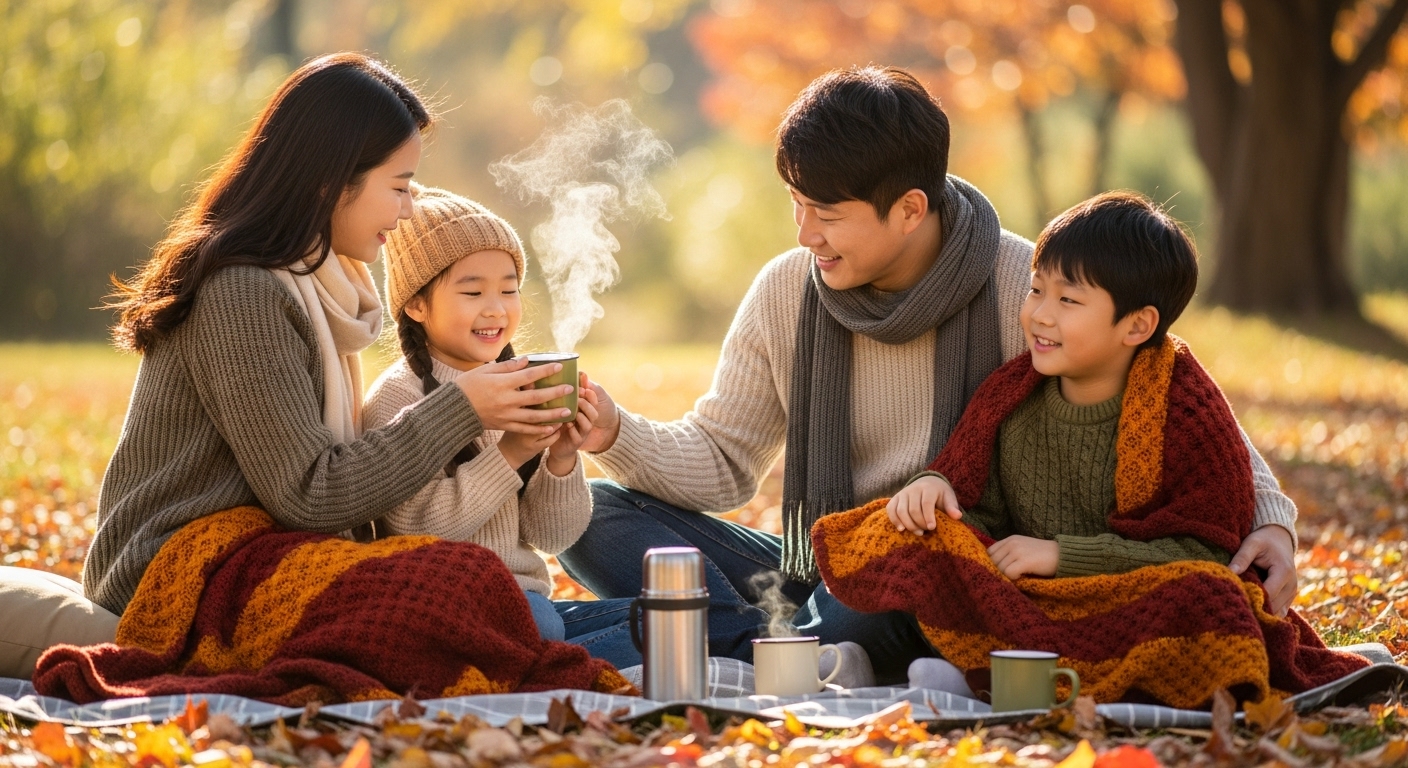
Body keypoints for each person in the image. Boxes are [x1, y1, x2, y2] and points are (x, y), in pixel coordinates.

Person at [562, 66, 1301, 685]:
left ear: (910, 208)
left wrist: (1270, 517)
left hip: (945, 567)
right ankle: (777, 651)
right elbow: (722, 462)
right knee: (587, 513)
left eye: (826, 212)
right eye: (796, 204)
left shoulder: (1023, 283)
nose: (804, 233)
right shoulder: (789, 289)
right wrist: (615, 431)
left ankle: (734, 647)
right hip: (816, 558)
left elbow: (1166, 385)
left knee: (879, 590)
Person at [0, 53, 575, 681]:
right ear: (331, 181)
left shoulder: (322, 284)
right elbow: (310, 491)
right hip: (181, 564)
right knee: (465, 597)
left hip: (265, 550)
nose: (409, 209)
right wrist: (464, 407)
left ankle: (644, 634)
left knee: (477, 603)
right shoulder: (243, 291)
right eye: (400, 186)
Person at [812, 191, 1370, 706]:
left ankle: (982, 679)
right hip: (1026, 601)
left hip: (1129, 600)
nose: (1040, 314)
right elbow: (976, 508)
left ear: (1137, 325)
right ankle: (979, 670)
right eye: (1036, 290)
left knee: (1210, 598)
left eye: (1069, 299)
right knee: (913, 539)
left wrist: (1061, 556)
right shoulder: (1011, 395)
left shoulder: (1182, 406)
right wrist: (935, 489)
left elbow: (1203, 550)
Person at [363, 184, 637, 666]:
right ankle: (556, 665)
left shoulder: (519, 384)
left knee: (670, 619)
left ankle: (553, 663)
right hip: (450, 608)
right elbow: (419, 526)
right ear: (416, 305)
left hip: (524, 603)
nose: (496, 308)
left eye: (508, 289)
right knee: (540, 623)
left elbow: (552, 537)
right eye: (472, 291)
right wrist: (508, 453)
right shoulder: (398, 398)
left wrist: (561, 458)